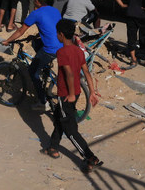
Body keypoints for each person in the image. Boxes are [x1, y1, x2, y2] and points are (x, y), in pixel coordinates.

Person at [40, 19, 103, 173]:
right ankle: (53, 148)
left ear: (61, 35)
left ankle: (90, 158)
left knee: (70, 130)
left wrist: (70, 94)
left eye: (57, 34)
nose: (57, 36)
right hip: (76, 92)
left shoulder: (62, 52)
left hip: (66, 95)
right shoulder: (78, 51)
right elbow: (86, 72)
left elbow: (68, 73)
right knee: (59, 120)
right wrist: (92, 92)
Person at [2, 0, 62, 111]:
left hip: (50, 49)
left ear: (36, 1)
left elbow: (20, 31)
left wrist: (7, 40)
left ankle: (42, 101)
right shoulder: (55, 10)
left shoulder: (35, 13)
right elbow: (51, 28)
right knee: (35, 42)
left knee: (32, 72)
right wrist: (35, 36)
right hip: (62, 45)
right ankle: (44, 70)